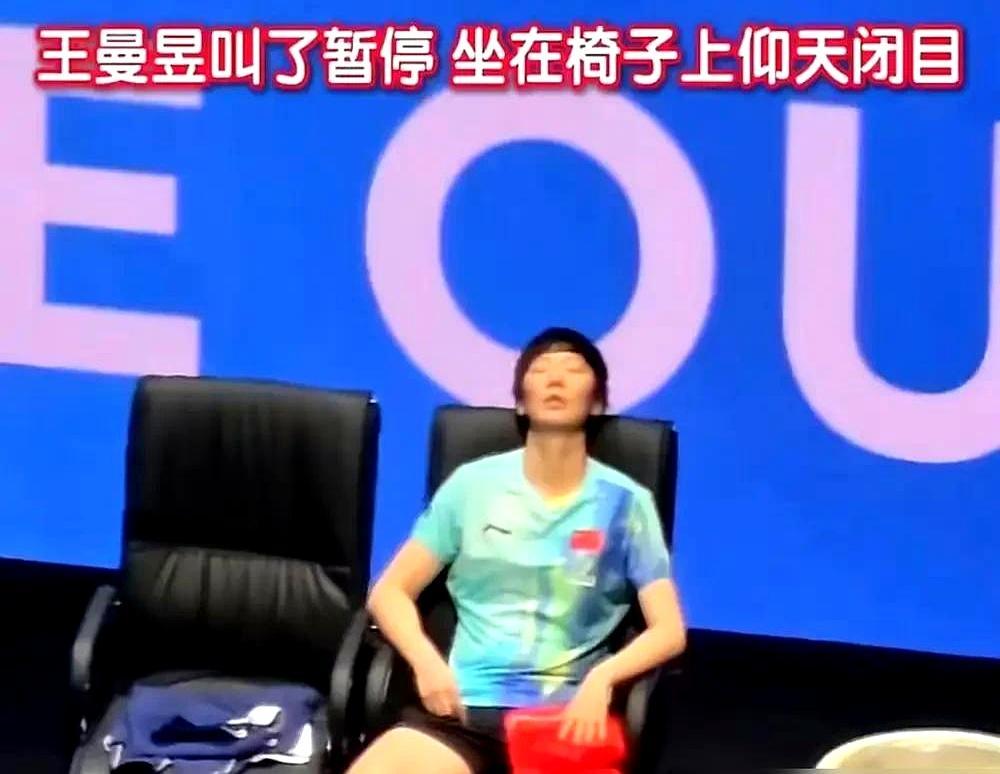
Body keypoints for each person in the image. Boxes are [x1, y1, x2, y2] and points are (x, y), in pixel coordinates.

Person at [347, 327, 687, 774]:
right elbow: (389, 592)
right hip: (462, 711)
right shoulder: (471, 486)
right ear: (521, 403)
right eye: (540, 369)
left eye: (573, 369)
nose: (556, 378)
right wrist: (426, 662)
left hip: (566, 722)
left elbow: (669, 630)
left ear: (598, 403)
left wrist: (603, 678)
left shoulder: (627, 504)